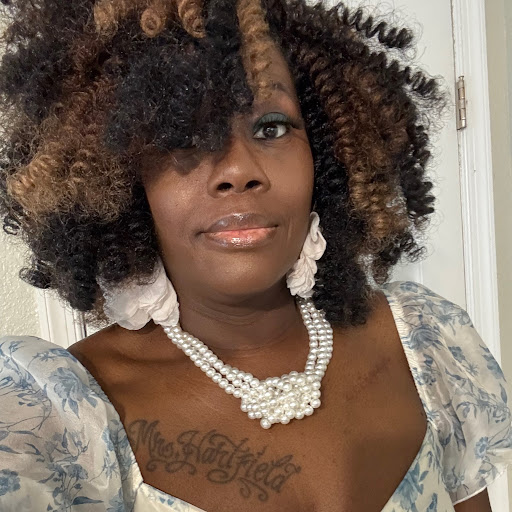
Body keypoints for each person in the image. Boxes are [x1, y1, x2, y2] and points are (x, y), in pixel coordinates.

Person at [0, 0, 511, 510]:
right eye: (186, 135)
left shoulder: (426, 345)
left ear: (327, 152)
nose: (238, 170)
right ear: (121, 178)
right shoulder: (62, 421)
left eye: (271, 127)